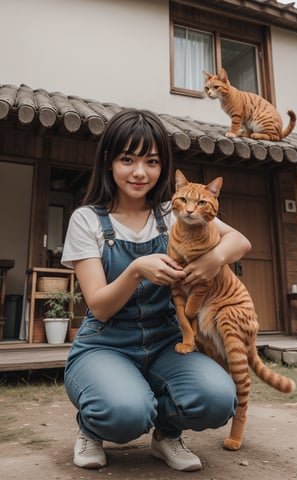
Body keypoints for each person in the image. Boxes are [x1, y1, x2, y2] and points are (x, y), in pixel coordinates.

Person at [62, 108, 251, 472]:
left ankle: (166, 434)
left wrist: (213, 260)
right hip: (106, 343)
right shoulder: (87, 219)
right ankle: (92, 426)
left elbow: (240, 241)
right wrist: (136, 269)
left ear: (163, 165)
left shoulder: (172, 210)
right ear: (108, 161)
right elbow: (99, 306)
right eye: (127, 159)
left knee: (217, 397)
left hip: (168, 341)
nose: (139, 172)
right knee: (125, 412)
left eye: (151, 161)